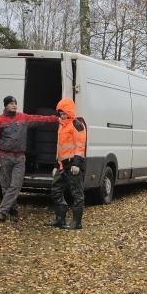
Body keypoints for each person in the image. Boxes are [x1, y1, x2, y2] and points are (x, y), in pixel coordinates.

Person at [0, 96, 59, 223]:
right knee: (6, 186)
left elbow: (39, 119)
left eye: (15, 103)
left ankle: (1, 212)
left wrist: (56, 119)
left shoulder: (23, 118)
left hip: (20, 157)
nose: (14, 105)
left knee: (16, 185)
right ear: (6, 106)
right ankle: (14, 210)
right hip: (5, 156)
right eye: (11, 103)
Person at [46, 98, 87, 230]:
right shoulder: (62, 126)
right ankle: (60, 219)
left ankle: (77, 222)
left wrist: (76, 164)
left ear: (69, 111)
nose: (62, 116)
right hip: (63, 165)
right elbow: (60, 148)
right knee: (55, 189)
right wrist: (56, 165)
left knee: (77, 193)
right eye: (60, 114)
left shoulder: (77, 125)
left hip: (73, 166)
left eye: (63, 113)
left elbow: (80, 146)